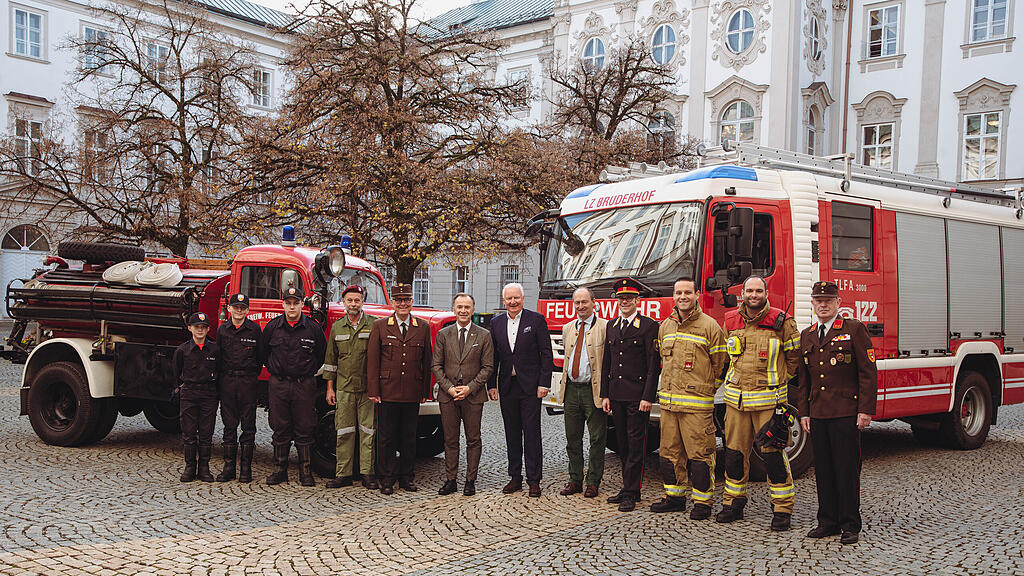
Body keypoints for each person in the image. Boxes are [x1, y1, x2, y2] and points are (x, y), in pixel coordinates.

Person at [795, 281, 877, 545]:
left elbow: (867, 373)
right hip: (818, 414)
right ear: (813, 303)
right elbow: (804, 379)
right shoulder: (807, 334)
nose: (823, 305)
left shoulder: (854, 330)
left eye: (828, 300)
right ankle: (827, 521)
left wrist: (865, 410)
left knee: (846, 470)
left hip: (845, 412)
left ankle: (850, 524)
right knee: (824, 471)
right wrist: (804, 413)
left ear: (838, 303)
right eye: (818, 301)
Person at [716, 276, 801, 531]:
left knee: (773, 456)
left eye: (758, 290)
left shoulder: (782, 321)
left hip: (768, 403)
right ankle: (733, 503)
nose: (754, 294)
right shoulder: (730, 320)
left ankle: (782, 508)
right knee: (733, 455)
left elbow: (795, 359)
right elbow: (724, 358)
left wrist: (780, 383)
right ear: (742, 293)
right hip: (736, 403)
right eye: (749, 290)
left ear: (766, 293)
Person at [651, 277, 727, 519]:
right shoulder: (665, 326)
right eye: (678, 292)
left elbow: (720, 366)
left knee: (701, 454)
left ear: (697, 296)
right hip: (670, 405)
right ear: (673, 296)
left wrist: (706, 390)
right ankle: (674, 497)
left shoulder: (710, 326)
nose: (683, 297)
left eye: (687, 292)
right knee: (669, 453)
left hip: (696, 406)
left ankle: (703, 502)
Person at [600, 278, 660, 512]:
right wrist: (605, 393)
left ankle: (632, 491)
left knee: (637, 444)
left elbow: (653, 365)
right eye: (621, 299)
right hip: (616, 394)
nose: (625, 302)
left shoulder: (648, 326)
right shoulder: (612, 326)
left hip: (637, 396)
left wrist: (648, 397)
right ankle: (626, 487)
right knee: (622, 444)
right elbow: (608, 362)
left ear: (637, 300)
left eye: (629, 298)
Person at [488, 282, 553, 497]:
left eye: (516, 298)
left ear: (522, 299)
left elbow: (546, 354)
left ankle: (534, 479)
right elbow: (494, 357)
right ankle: (515, 477)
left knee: (532, 434)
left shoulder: (536, 320)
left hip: (531, 387)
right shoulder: (496, 323)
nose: (513, 302)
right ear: (503, 300)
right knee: (511, 433)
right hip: (508, 386)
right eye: (509, 299)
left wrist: (544, 383)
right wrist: (491, 385)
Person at [367, 283, 432, 495]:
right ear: (392, 303)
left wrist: (425, 392)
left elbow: (427, 361)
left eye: (407, 300)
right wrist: (374, 391)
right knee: (386, 437)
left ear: (412, 302)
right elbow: (373, 361)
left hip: (412, 391)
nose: (403, 304)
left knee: (409, 437)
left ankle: (406, 477)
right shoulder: (380, 326)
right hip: (387, 391)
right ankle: (386, 478)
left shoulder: (422, 327)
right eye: (399, 300)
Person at [260, 285, 327, 487]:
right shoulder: (273, 327)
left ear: (301, 305)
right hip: (279, 384)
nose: (291, 307)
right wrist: (274, 368)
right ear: (283, 304)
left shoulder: (313, 328)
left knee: (305, 427)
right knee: (280, 427)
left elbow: (321, 354)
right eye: (288, 303)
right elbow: (263, 353)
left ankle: (305, 471)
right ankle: (279, 469)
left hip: (303, 385)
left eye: (295, 303)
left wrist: (307, 370)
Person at [432, 293, 494, 496]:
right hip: (447, 395)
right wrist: (449, 388)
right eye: (459, 307)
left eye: (467, 307)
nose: (463, 311)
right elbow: (436, 365)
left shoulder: (483, 335)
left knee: (473, 439)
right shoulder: (444, 334)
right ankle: (451, 480)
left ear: (473, 310)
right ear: (454, 309)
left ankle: (470, 480)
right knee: (450, 440)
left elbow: (487, 367)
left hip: (473, 395)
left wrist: (470, 388)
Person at [324, 285, 377, 489]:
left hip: (367, 389)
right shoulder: (337, 327)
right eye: (349, 300)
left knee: (368, 433)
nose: (353, 304)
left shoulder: (374, 325)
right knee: (344, 432)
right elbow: (331, 360)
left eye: (357, 300)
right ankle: (343, 474)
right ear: (343, 302)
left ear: (363, 301)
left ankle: (367, 474)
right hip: (344, 388)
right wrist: (330, 388)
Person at [559, 287, 607, 499]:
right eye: (577, 303)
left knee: (597, 438)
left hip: (592, 390)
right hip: (571, 389)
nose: (580, 306)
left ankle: (593, 481)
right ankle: (575, 479)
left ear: (593, 302)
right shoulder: (568, 327)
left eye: (584, 302)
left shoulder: (605, 327)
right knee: (572, 438)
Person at [215, 293, 262, 483]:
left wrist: (250, 376)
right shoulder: (222, 330)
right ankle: (228, 468)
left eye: (243, 308)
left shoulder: (255, 330)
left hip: (247, 382)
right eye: (236, 307)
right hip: (227, 381)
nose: (239, 311)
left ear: (248, 310)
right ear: (229, 309)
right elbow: (218, 357)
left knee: (248, 427)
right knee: (229, 426)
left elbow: (260, 358)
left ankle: (245, 469)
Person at [173, 312, 220, 483]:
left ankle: (204, 468)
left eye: (203, 327)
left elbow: (220, 371)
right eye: (197, 327)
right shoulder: (182, 350)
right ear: (190, 328)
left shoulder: (214, 349)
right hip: (189, 394)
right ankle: (190, 467)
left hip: (208, 394)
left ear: (208, 329)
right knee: (189, 432)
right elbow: (176, 374)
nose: (200, 330)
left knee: (206, 433)